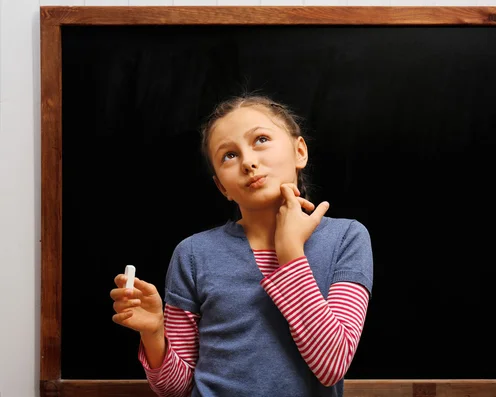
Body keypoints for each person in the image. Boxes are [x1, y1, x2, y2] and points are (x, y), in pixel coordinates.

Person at [110, 94, 373, 397]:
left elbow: (331, 365)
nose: (248, 161)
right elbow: (175, 390)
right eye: (229, 156)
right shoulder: (193, 254)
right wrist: (154, 333)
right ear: (222, 186)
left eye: (261, 139)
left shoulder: (346, 239)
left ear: (299, 151)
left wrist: (290, 253)